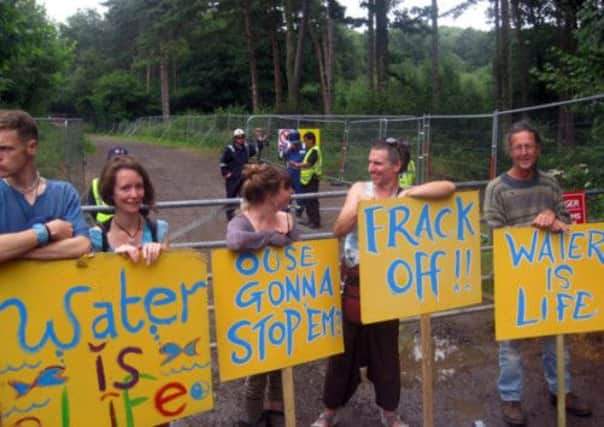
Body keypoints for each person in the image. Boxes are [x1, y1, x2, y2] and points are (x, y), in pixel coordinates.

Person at [311, 140, 455, 427]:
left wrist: (409, 193)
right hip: (356, 279)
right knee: (342, 350)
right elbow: (337, 231)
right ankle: (329, 410)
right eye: (370, 162)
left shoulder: (406, 194)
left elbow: (448, 188)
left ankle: (389, 412)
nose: (371, 168)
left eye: (377, 163)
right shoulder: (359, 190)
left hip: (389, 286)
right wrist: (359, 211)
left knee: (386, 353)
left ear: (396, 166)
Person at [483, 121, 592, 426]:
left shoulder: (550, 184)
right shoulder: (496, 188)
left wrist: (556, 218)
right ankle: (511, 398)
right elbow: (496, 234)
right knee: (511, 345)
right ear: (510, 151)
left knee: (558, 339)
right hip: (512, 279)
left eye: (529, 146)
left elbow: (569, 220)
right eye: (518, 147)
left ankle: (562, 392)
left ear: (538, 149)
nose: (524, 152)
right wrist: (535, 225)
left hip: (551, 278)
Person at [226, 163, 299, 427]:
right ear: (270, 194)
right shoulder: (242, 220)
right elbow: (234, 241)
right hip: (253, 308)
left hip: (284, 303)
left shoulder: (288, 219)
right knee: (257, 373)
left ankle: (278, 414)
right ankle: (253, 419)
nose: (291, 193)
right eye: (287, 188)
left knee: (282, 367)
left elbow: (297, 255)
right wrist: (268, 237)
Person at [0, 109, 90, 264]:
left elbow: (82, 246)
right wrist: (46, 232)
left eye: (5, 149)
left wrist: (12, 252)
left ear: (32, 147)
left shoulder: (63, 193)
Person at [89, 155, 168, 265]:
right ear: (111, 193)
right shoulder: (97, 237)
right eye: (125, 188)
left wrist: (161, 252)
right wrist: (112, 260)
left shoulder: (159, 231)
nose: (134, 194)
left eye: (139, 186)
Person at [220, 128, 257, 220]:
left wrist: (259, 140)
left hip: (244, 177)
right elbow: (222, 162)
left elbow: (257, 149)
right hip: (233, 178)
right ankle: (230, 217)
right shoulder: (229, 149)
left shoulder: (247, 148)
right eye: (238, 138)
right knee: (231, 197)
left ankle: (245, 217)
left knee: (245, 196)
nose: (240, 139)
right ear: (235, 138)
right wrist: (226, 173)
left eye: (242, 137)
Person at [87, 146, 129, 224]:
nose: (118, 165)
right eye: (115, 162)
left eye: (122, 162)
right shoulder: (96, 183)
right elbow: (92, 208)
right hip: (103, 227)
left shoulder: (135, 182)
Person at [289, 131, 322, 229]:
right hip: (306, 180)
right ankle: (310, 220)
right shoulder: (309, 150)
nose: (305, 143)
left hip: (312, 179)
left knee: (312, 201)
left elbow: (309, 164)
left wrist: (296, 165)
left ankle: (316, 222)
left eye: (306, 140)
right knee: (307, 201)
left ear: (311, 140)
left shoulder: (315, 150)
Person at [283, 130, 305, 216]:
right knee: (287, 190)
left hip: (300, 171)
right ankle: (286, 208)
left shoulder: (303, 146)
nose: (295, 145)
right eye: (293, 143)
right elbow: (282, 156)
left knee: (299, 191)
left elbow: (306, 158)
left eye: (296, 143)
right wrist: (288, 149)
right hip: (290, 170)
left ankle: (299, 209)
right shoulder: (287, 145)